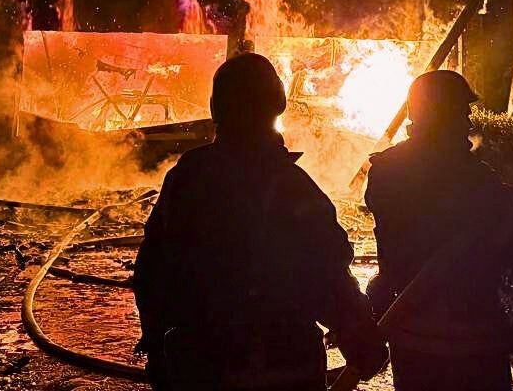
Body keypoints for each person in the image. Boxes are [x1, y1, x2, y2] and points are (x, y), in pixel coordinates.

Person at [133, 52, 387, 391]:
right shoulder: (292, 188)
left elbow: (152, 269)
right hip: (282, 365)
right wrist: (360, 339)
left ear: (215, 108)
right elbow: (326, 276)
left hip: (199, 365)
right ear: (277, 103)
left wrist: (156, 342)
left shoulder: (187, 179)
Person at [364, 70, 513, 391]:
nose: (469, 120)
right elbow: (509, 251)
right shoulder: (478, 179)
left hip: (412, 331)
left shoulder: (388, 170)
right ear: (443, 115)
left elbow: (391, 246)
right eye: (462, 111)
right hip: (475, 334)